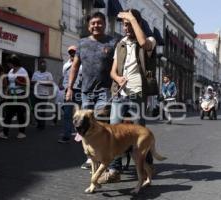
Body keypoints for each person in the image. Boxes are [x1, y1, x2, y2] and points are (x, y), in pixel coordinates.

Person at [98, 9, 157, 183]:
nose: (126, 27)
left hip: (137, 93)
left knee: (139, 133)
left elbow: (144, 44)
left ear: (138, 23)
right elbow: (112, 71)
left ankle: (146, 167)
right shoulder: (120, 44)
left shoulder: (149, 40)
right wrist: (117, 77)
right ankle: (115, 170)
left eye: (130, 24)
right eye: (124, 25)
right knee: (114, 132)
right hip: (120, 93)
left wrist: (131, 17)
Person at [66, 12, 118, 169]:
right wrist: (69, 88)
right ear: (89, 26)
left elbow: (118, 66)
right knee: (86, 125)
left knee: (101, 124)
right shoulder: (82, 43)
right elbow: (75, 67)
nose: (96, 25)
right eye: (93, 23)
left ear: (105, 24)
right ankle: (90, 157)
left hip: (105, 91)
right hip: (86, 91)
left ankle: (101, 156)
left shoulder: (113, 42)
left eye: (99, 22)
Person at [0, 54, 29, 139]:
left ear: (14, 63)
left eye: (9, 63)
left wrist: (18, 82)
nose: (8, 65)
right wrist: (6, 93)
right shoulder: (11, 71)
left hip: (20, 95)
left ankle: (22, 132)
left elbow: (27, 84)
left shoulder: (22, 71)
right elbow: (9, 83)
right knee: (8, 114)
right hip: (11, 95)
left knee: (20, 114)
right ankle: (4, 133)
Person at [58, 45, 82, 144]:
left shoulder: (82, 65)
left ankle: (81, 134)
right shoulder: (66, 65)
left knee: (79, 114)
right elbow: (63, 77)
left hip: (79, 91)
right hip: (68, 91)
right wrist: (61, 85)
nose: (72, 54)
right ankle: (66, 136)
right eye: (70, 52)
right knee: (67, 114)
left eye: (74, 52)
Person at [31, 59, 54, 130]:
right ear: (39, 66)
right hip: (35, 94)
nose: (43, 66)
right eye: (42, 65)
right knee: (34, 109)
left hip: (44, 95)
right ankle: (39, 122)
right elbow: (32, 82)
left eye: (44, 65)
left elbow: (51, 84)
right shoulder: (35, 73)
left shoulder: (48, 74)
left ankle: (42, 125)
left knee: (42, 110)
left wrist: (39, 82)